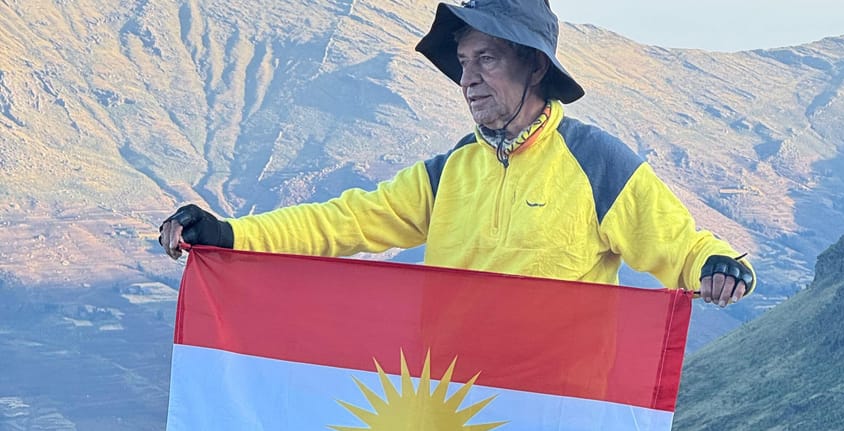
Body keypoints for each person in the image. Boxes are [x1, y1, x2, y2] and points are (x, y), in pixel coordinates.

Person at [159, 0, 755, 307]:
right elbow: (345, 221)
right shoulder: (451, 171)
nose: (467, 79)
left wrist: (718, 265)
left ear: (535, 66)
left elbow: (678, 243)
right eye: (464, 63)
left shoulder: (596, 163)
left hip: (558, 418)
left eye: (486, 59)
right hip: (454, 413)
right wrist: (231, 235)